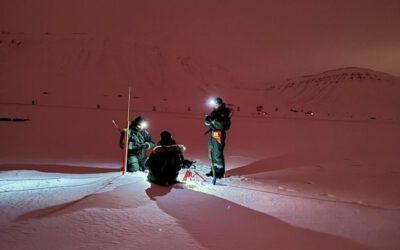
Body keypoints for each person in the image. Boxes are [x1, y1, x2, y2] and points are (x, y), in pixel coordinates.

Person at [204, 97, 232, 179]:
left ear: (219, 104)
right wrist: (208, 121)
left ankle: (219, 172)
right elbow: (207, 124)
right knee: (211, 153)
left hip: (218, 134)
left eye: (215, 104)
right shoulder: (214, 112)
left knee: (217, 153)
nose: (214, 106)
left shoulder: (223, 112)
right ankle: (213, 170)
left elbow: (222, 126)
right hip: (212, 133)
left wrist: (212, 121)